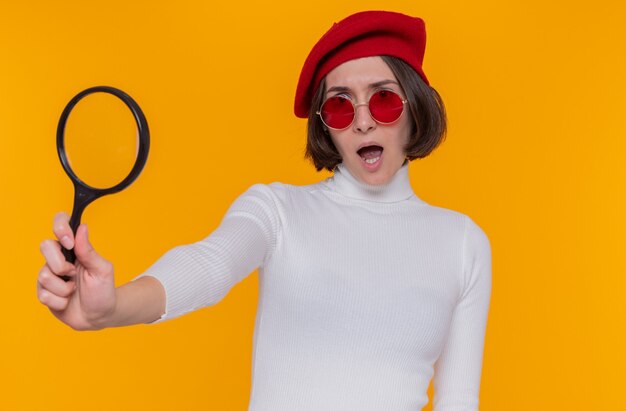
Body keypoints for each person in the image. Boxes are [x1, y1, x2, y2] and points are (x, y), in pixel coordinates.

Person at [37, 10, 491, 411]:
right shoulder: (277, 211)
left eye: (385, 98)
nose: (364, 120)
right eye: (338, 106)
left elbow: (458, 402)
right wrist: (112, 306)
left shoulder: (463, 243)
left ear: (416, 107)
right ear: (324, 126)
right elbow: (210, 264)